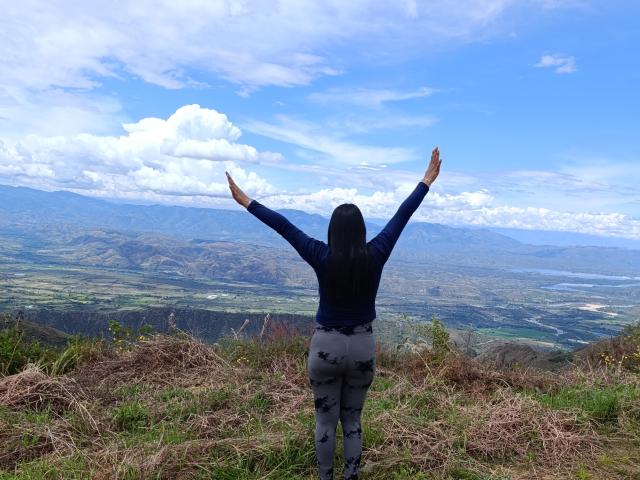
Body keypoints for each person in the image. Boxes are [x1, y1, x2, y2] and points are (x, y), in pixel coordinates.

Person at [225, 147, 442, 480]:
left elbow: (285, 227)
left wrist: (247, 202)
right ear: (361, 231)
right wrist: (426, 180)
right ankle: (350, 477)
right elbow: (401, 216)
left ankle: (326, 477)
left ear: (332, 231)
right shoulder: (376, 253)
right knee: (352, 420)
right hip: (362, 347)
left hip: (325, 346)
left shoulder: (320, 254)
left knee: (325, 421)